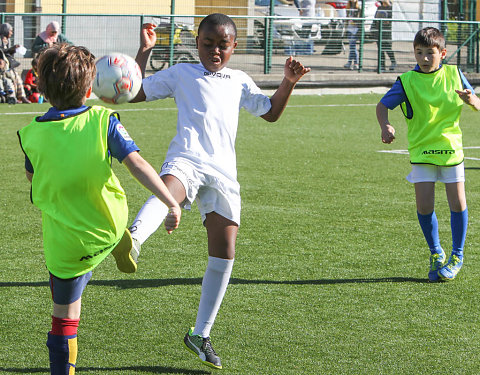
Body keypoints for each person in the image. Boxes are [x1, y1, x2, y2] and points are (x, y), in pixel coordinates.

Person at [129, 13, 310, 370]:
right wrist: (144, 51)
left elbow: (270, 112)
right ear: (196, 44)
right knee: (170, 193)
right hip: (187, 159)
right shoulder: (182, 73)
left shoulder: (239, 80)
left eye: (222, 45)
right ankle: (133, 239)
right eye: (208, 43)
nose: (215, 50)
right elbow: (134, 91)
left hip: (224, 173)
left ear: (234, 47)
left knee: (225, 252)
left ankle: (200, 334)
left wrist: (288, 81)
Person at [17, 44, 181, 375]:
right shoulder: (103, 120)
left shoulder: (31, 135)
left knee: (63, 317)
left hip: (66, 243)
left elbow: (33, 178)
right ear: (90, 88)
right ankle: (122, 240)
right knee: (107, 225)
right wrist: (170, 200)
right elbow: (137, 164)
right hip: (109, 222)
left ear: (42, 88)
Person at [376, 27, 480, 282]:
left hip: (450, 149)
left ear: (442, 53)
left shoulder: (455, 74)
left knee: (457, 203)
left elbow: (478, 103)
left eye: (429, 53)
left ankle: (457, 256)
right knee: (424, 206)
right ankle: (436, 253)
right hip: (422, 151)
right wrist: (385, 125)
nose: (423, 58)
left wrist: (471, 100)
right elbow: (382, 105)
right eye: (418, 52)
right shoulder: (407, 81)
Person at [0, 23, 31, 103]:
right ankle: (13, 97)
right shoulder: (0, 40)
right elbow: (2, 52)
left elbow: (8, 54)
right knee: (11, 79)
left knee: (18, 79)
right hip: (3, 66)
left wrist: (14, 49)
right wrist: (11, 49)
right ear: (5, 30)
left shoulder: (8, 40)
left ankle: (22, 96)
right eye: (10, 31)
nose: (11, 33)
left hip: (9, 65)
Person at [373, 0, 396, 71]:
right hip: (378, 31)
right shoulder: (379, 8)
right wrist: (373, 29)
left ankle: (393, 62)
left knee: (387, 48)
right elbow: (375, 19)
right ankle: (381, 66)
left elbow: (391, 20)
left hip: (386, 31)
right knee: (380, 49)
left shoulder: (391, 8)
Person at [344, 0, 360, 70]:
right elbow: (347, 18)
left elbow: (360, 19)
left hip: (355, 29)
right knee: (351, 46)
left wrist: (355, 21)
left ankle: (356, 63)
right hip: (349, 28)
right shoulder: (349, 7)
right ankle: (349, 62)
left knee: (352, 46)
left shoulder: (358, 8)